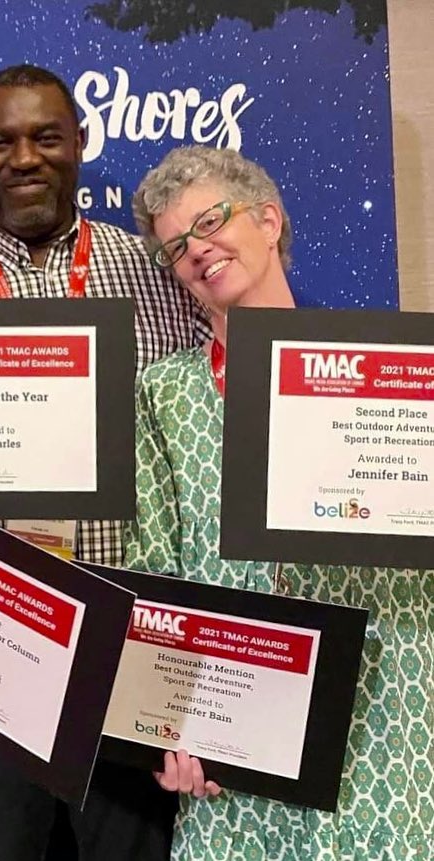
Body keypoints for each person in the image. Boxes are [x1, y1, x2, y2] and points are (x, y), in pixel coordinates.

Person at [0, 64, 210, 861]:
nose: (22, 157)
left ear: (80, 146)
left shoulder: (159, 272)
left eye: (45, 137)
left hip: (128, 640)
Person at [125, 144, 434, 859]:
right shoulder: (164, 392)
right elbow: (155, 573)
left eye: (210, 221)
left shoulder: (396, 369)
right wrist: (168, 725)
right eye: (177, 245)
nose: (197, 249)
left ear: (269, 219)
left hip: (391, 724)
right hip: (235, 741)